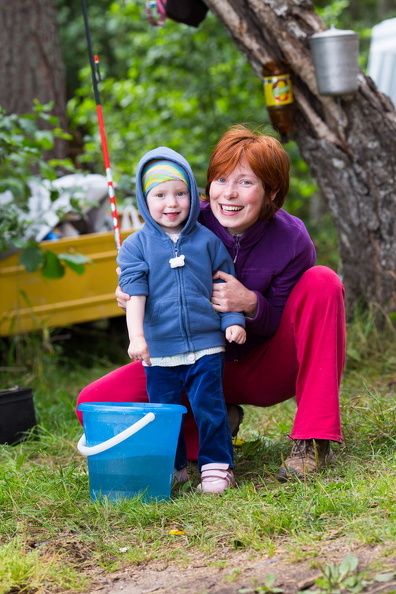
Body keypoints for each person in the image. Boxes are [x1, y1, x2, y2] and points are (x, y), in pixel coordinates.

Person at [76, 124, 346, 482]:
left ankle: (313, 438)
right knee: (94, 403)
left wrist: (251, 303)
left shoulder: (292, 237)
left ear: (272, 191)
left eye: (246, 182)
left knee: (323, 281)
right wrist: (130, 290)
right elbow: (143, 268)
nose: (228, 194)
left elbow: (282, 323)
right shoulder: (186, 220)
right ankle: (212, 427)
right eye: (220, 180)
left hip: (263, 366)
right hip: (191, 363)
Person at [116, 147, 246, 494]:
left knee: (210, 407)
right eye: (160, 195)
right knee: (165, 414)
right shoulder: (135, 247)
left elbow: (225, 285)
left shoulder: (207, 242)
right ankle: (173, 467)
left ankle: (217, 466)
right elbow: (134, 296)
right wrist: (137, 337)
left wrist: (233, 320)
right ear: (145, 200)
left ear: (192, 194)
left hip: (206, 345)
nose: (171, 203)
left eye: (180, 193)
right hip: (159, 351)